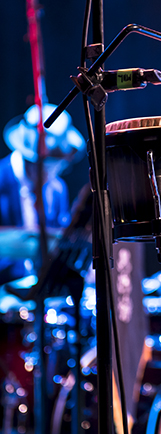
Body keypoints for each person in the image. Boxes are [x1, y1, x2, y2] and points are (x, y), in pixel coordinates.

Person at [0, 103, 85, 304]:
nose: (57, 171)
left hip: (43, 294)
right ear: (30, 160)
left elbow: (58, 244)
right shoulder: (2, 180)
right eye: (53, 165)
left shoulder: (57, 188)